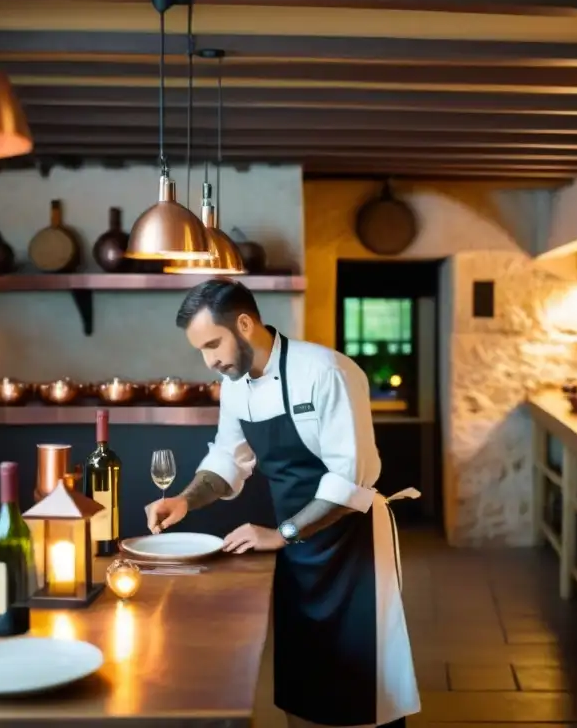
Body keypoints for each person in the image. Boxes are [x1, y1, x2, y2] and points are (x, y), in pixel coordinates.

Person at [145, 279, 421, 728]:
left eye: (213, 344)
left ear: (245, 323)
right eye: (201, 350)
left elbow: (350, 481)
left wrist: (282, 533)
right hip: (295, 548)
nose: (209, 360)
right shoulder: (234, 385)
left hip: (351, 549)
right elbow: (228, 461)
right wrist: (185, 500)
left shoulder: (327, 371)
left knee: (362, 680)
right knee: (304, 674)